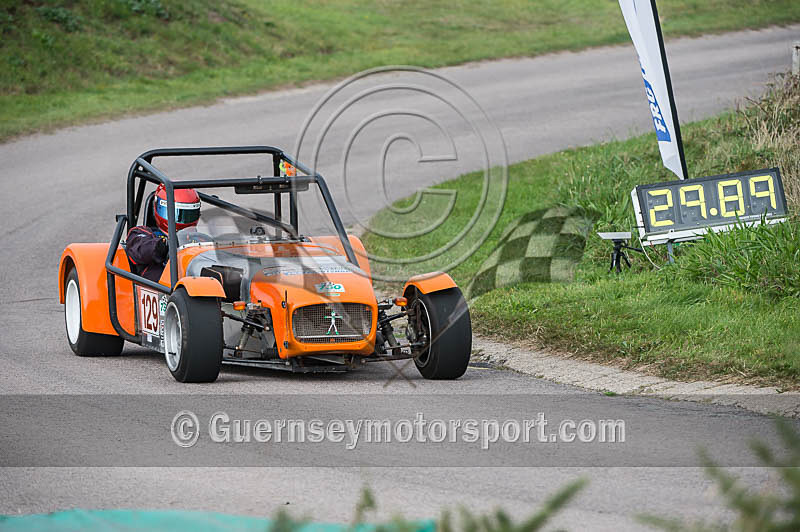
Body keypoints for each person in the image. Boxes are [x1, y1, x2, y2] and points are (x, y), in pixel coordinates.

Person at [126, 185, 201, 281]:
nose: (180, 220)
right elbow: (140, 251)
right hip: (159, 289)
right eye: (175, 213)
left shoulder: (199, 239)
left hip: (196, 286)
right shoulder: (142, 234)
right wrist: (164, 246)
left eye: (187, 215)